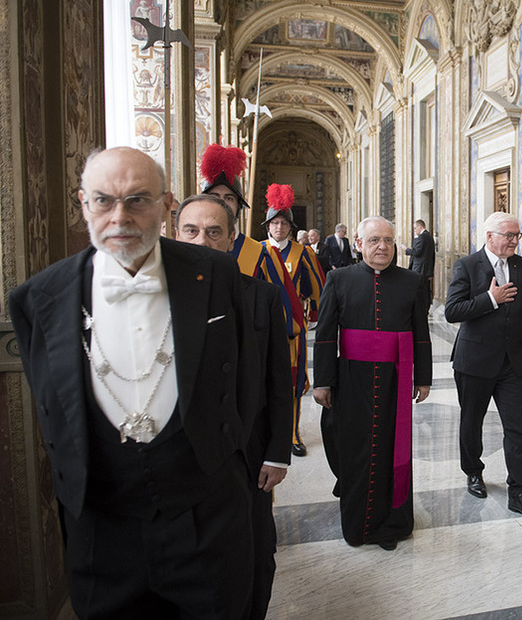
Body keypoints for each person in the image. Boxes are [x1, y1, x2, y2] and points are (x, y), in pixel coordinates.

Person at [9, 147, 258, 618]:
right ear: (84, 204)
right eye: (104, 201)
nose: (120, 216)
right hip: (102, 532)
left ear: (166, 206)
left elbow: (245, 377)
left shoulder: (218, 274)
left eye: (138, 200)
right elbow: (52, 410)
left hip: (207, 518)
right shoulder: (38, 299)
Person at [174, 194, 292, 620]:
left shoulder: (261, 297)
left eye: (213, 232)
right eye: (191, 231)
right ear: (175, 235)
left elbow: (280, 381)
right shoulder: (154, 299)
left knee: (254, 556)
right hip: (183, 462)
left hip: (248, 456)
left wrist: (278, 452)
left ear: (231, 241)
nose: (201, 241)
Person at [312, 217, 432, 551]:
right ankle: (357, 524)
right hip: (352, 381)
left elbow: (420, 333)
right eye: (375, 240)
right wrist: (323, 381)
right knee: (356, 452)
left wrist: (422, 378)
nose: (383, 247)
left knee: (392, 451)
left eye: (389, 241)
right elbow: (324, 335)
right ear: (359, 244)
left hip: (396, 379)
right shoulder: (338, 279)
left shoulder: (412, 282)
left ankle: (392, 523)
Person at [444, 212, 522, 519]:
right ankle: (473, 470)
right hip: (474, 361)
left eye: (518, 236)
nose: (515, 241)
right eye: (509, 236)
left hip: (512, 365)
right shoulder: (467, 265)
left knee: (517, 429)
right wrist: (490, 298)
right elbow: (452, 310)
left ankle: (519, 492)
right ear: (490, 236)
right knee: (471, 422)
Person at [198, 143, 302, 347]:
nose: (221, 204)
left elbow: (287, 317)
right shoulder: (185, 250)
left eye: (229, 198)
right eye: (214, 197)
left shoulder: (261, 254)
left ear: (238, 205)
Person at [262, 184, 326, 457]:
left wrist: (318, 315)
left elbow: (319, 288)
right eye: (274, 222)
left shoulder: (303, 254)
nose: (279, 227)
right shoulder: (259, 251)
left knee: (293, 379)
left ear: (290, 226)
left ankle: (292, 433)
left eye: (283, 223)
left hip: (293, 327)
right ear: (268, 226)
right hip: (263, 325)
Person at [404, 219, 435, 309]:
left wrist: (406, 250)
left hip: (421, 268)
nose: (415, 231)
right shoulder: (429, 237)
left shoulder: (422, 237)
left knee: (421, 290)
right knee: (425, 289)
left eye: (415, 228)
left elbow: (417, 252)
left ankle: (422, 307)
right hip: (426, 268)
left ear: (420, 227)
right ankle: (425, 306)